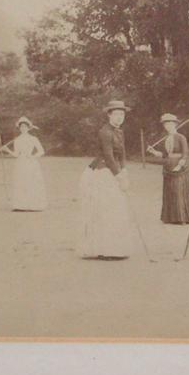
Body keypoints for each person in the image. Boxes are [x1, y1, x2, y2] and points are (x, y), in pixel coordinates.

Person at [76, 100, 135, 260]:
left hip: (115, 169)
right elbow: (108, 156)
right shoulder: (105, 132)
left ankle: (116, 248)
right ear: (109, 115)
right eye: (116, 114)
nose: (120, 117)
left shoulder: (119, 131)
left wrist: (124, 170)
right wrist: (119, 176)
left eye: (122, 114)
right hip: (103, 171)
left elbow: (121, 153)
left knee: (117, 208)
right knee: (106, 208)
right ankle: (105, 249)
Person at [155, 113, 189, 224]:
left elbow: (185, 153)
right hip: (168, 166)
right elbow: (165, 154)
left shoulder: (181, 137)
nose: (168, 126)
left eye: (170, 123)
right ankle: (170, 218)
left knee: (179, 191)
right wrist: (154, 152)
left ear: (175, 124)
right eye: (166, 124)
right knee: (170, 191)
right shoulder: (166, 138)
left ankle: (182, 218)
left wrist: (179, 166)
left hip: (180, 169)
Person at [7, 116, 47, 212]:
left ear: (28, 128)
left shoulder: (33, 139)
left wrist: (33, 156)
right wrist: (7, 150)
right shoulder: (17, 140)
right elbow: (16, 154)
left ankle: (33, 205)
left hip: (31, 162)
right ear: (19, 128)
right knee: (21, 182)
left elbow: (41, 151)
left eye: (25, 126)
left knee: (31, 181)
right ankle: (20, 205)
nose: (23, 128)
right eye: (21, 127)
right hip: (20, 162)